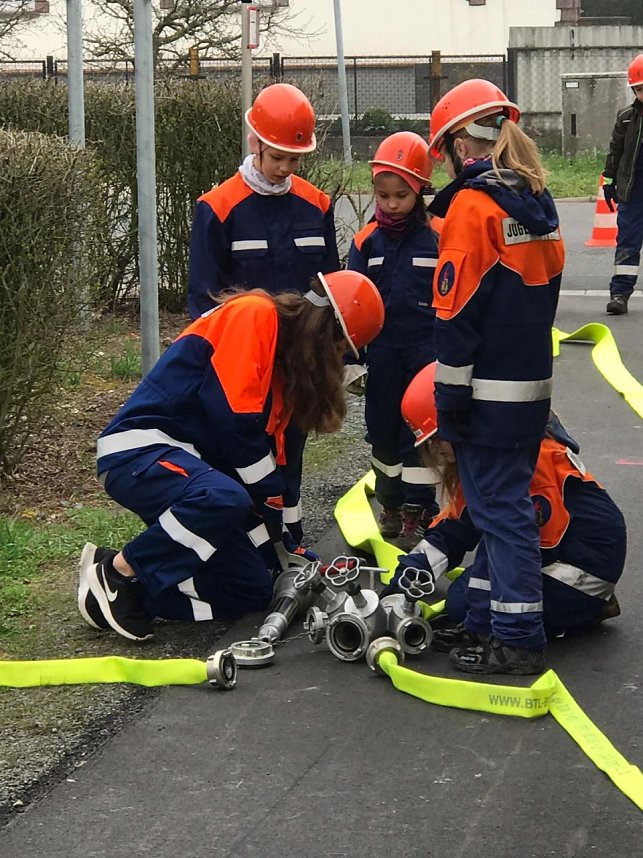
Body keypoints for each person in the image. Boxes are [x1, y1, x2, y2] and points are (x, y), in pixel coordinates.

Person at [77, 271, 385, 642]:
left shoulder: (281, 373)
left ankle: (124, 596)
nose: (337, 364)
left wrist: (287, 545)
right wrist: (269, 507)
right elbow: (231, 420)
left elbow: (280, 468)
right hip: (140, 449)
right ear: (325, 332)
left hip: (196, 469)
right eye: (340, 352)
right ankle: (118, 570)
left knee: (253, 589)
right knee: (225, 499)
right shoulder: (254, 315)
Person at [425, 78, 565, 674]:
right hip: (529, 392)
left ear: (462, 142)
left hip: (484, 397)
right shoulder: (541, 203)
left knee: (500, 514)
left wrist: (448, 400)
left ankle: (517, 636)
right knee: (491, 510)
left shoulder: (472, 208)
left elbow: (456, 316)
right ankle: (485, 622)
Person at [383, 363, 626, 675]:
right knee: (467, 597)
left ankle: (584, 607)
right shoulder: (492, 456)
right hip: (566, 554)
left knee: (465, 602)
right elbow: (453, 530)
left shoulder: (527, 461)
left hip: (581, 564)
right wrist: (401, 584)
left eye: (437, 438)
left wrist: (481, 621)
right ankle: (579, 606)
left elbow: (524, 546)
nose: (436, 451)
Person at [188, 83, 340, 544]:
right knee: (243, 447)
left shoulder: (317, 205)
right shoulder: (217, 207)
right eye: (278, 157)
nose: (286, 168)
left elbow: (330, 285)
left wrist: (334, 351)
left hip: (299, 355)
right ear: (255, 142)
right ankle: (247, 538)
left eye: (295, 160)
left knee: (292, 444)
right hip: (244, 361)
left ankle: (289, 537)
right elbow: (203, 299)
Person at [346, 131, 440, 549]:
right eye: (383, 195)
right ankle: (390, 504)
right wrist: (351, 361)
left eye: (401, 195)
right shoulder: (365, 242)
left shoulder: (442, 235)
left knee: (419, 434)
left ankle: (420, 512)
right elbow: (348, 304)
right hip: (382, 355)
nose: (391, 204)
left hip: (427, 353)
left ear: (419, 190)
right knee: (382, 432)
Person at [602, 53, 643, 316]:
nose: (642, 94)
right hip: (633, 189)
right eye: (638, 89)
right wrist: (609, 182)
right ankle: (620, 294)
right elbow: (615, 151)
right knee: (627, 242)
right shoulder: (627, 117)